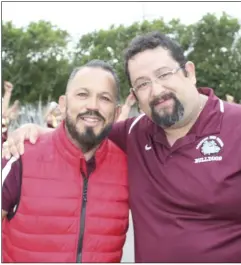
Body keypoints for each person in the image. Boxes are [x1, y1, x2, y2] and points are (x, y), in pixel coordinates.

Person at [3, 32, 241, 262]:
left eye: (164, 74)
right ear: (135, 96)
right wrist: (34, 132)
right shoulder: (134, 133)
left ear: (189, 72)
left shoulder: (236, 126)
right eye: (143, 83)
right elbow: (84, 129)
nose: (156, 91)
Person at [1, 60, 129, 262]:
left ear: (117, 112)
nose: (92, 106)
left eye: (104, 98)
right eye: (82, 94)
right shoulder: (20, 156)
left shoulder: (129, 166)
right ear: (63, 104)